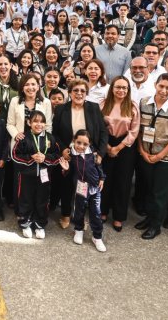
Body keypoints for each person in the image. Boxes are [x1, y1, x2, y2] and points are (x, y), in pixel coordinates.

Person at [52, 79, 108, 229]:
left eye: (83, 91)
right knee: (66, 186)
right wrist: (63, 149)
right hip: (69, 154)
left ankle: (80, 217)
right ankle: (65, 215)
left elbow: (103, 132)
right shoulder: (61, 109)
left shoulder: (94, 108)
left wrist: (100, 154)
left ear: (86, 93)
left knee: (83, 188)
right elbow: (55, 134)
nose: (79, 93)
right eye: (75, 90)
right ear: (70, 92)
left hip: (88, 156)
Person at [135, 74, 168, 240]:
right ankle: (149, 219)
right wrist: (143, 152)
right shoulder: (144, 103)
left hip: (165, 159)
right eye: (161, 86)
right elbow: (138, 131)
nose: (164, 91)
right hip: (146, 155)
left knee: (159, 194)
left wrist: (158, 156)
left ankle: (155, 226)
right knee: (149, 190)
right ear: (156, 85)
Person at [11, 110, 60, 239]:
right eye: (35, 121)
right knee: (25, 199)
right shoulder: (23, 138)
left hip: (44, 176)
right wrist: (31, 158)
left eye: (42, 121)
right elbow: (15, 155)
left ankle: (39, 224)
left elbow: (57, 156)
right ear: (29, 122)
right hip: (26, 176)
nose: (39, 124)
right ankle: (25, 223)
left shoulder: (50, 138)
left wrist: (46, 158)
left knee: (42, 200)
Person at [100, 76, 140, 232]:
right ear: (112, 88)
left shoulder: (133, 106)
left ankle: (118, 216)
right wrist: (108, 146)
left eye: (124, 88)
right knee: (104, 180)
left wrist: (118, 148)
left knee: (122, 182)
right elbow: (98, 126)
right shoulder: (103, 104)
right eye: (118, 87)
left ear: (128, 90)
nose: (121, 90)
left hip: (125, 147)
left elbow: (134, 131)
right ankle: (103, 211)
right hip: (106, 143)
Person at [67, 129, 106, 252]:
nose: (81, 146)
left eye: (85, 144)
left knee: (96, 213)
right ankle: (78, 230)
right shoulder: (71, 155)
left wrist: (102, 178)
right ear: (74, 140)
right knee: (79, 210)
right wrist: (65, 169)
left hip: (94, 187)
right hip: (80, 187)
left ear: (89, 144)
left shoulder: (93, 153)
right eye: (78, 143)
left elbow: (99, 166)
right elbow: (68, 172)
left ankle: (97, 236)